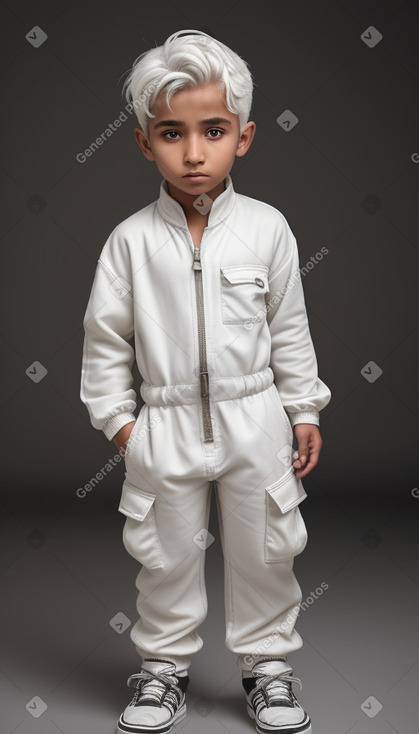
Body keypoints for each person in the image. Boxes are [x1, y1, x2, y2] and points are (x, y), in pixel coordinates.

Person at [80, 28, 331, 734]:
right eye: (171, 133)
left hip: (256, 418)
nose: (193, 152)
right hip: (163, 425)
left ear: (244, 137)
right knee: (162, 556)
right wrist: (121, 424)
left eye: (213, 130)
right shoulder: (130, 241)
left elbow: (289, 328)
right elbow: (104, 341)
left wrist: (303, 408)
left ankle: (268, 668)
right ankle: (161, 669)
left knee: (266, 549)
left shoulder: (267, 230)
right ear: (143, 143)